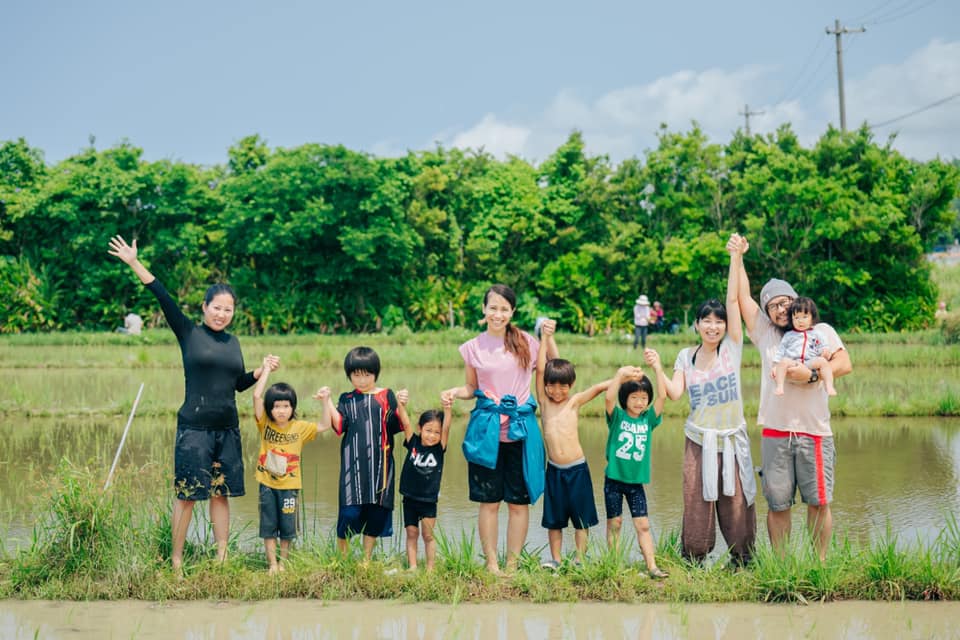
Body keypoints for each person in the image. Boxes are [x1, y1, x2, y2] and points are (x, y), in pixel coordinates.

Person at [107, 235, 276, 572]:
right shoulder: (188, 332)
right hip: (194, 430)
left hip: (226, 429)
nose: (222, 314)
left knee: (220, 494)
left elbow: (236, 383)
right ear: (204, 307)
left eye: (228, 310)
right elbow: (161, 294)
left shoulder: (234, 342)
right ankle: (176, 559)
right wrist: (133, 262)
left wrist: (259, 371)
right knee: (186, 496)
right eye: (217, 308)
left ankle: (222, 556)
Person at [730, 233, 852, 561]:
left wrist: (811, 374)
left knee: (819, 501)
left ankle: (820, 565)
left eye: (785, 302)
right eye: (773, 306)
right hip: (776, 431)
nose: (781, 309)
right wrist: (738, 256)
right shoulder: (767, 335)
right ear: (768, 313)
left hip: (815, 431)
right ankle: (783, 567)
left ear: (797, 304)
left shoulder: (821, 331)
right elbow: (742, 299)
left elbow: (844, 362)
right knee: (778, 503)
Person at [441, 284, 558, 574]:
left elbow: (553, 365)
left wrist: (548, 337)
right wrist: (455, 392)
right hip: (486, 434)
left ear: (512, 312)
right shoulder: (473, 347)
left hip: (520, 431)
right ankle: (492, 563)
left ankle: (513, 564)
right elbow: (472, 387)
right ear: (484, 309)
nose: (498, 314)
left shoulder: (526, 342)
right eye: (493, 307)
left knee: (519, 503)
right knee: (489, 502)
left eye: (504, 308)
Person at [658, 239, 757, 567]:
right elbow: (673, 393)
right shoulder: (686, 356)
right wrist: (657, 367)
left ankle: (743, 560)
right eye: (707, 321)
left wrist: (735, 257)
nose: (713, 326)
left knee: (736, 500)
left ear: (726, 326)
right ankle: (694, 559)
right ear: (697, 325)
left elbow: (733, 299)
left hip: (731, 438)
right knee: (697, 501)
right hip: (699, 440)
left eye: (719, 321)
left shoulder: (732, 348)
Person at [317, 346, 405, 561]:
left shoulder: (386, 395)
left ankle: (366, 560)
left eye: (367, 374)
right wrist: (326, 401)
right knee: (348, 513)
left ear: (375, 373)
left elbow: (397, 424)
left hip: (381, 467)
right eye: (357, 375)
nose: (362, 380)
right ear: (349, 375)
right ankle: (344, 559)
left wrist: (402, 405)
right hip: (352, 466)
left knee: (375, 514)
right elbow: (339, 427)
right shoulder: (346, 398)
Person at [534, 322, 608, 569]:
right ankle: (555, 559)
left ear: (571, 385)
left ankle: (579, 559)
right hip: (554, 471)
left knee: (581, 520)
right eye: (552, 385)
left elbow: (598, 388)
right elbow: (539, 371)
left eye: (563, 385)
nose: (557, 390)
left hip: (577, 470)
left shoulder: (574, 402)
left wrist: (622, 377)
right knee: (554, 520)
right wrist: (545, 338)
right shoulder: (544, 403)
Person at [253, 359, 330, 573]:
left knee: (287, 528)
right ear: (270, 409)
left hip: (290, 487)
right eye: (276, 406)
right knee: (268, 528)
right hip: (267, 485)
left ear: (292, 407)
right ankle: (272, 564)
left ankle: (284, 563)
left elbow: (324, 425)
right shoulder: (264, 424)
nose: (281, 411)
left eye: (286, 406)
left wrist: (325, 401)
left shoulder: (300, 427)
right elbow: (257, 396)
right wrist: (266, 370)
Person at [604, 361, 669, 578]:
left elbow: (662, 397)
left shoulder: (648, 420)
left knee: (643, 525)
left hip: (636, 484)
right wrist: (620, 374)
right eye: (634, 398)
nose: (639, 402)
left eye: (643, 398)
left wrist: (658, 369)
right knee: (615, 523)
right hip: (613, 480)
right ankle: (614, 566)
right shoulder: (617, 417)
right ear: (626, 399)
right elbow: (608, 398)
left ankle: (652, 567)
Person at [397, 397, 453, 571]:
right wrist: (401, 404)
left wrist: (448, 408)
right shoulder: (413, 442)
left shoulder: (439, 448)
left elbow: (447, 427)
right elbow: (405, 423)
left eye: (436, 432)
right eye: (428, 430)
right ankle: (413, 567)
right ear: (420, 429)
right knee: (411, 533)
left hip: (428, 500)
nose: (432, 436)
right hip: (409, 497)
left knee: (428, 535)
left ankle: (430, 569)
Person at [774, 297, 837, 397]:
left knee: (823, 362)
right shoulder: (789, 335)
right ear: (792, 319)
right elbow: (781, 351)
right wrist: (776, 365)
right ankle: (779, 386)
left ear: (812, 317)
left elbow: (824, 346)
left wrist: (825, 352)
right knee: (783, 362)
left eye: (804, 317)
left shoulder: (817, 334)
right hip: (793, 362)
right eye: (796, 318)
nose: (800, 321)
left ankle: (829, 386)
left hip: (810, 362)